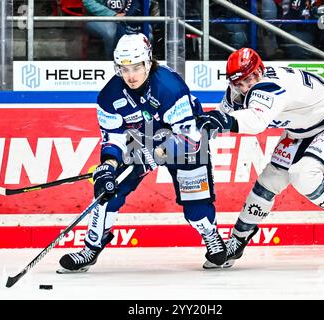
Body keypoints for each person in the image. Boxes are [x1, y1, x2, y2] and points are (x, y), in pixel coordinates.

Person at [58, 33, 227, 273]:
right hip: (141, 140)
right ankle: (91, 249)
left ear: (148, 62)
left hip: (185, 141)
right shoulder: (109, 96)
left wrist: (156, 153)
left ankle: (210, 235)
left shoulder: (169, 87)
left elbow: (190, 138)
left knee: (196, 206)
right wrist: (107, 166)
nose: (131, 75)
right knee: (106, 191)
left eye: (136, 67)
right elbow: (113, 138)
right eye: (124, 69)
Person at [197, 48, 324, 269]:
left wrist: (217, 120)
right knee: (268, 182)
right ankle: (238, 240)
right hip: (302, 130)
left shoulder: (268, 87)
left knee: (304, 175)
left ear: (260, 71)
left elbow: (255, 121)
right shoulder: (235, 92)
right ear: (231, 82)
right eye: (240, 82)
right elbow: (219, 120)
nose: (247, 85)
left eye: (251, 77)